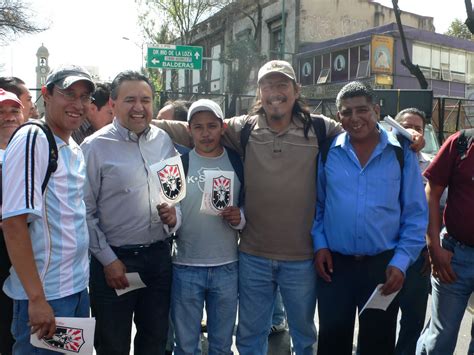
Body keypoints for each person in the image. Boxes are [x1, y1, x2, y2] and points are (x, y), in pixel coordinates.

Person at [152, 60, 425, 355]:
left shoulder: (322, 128)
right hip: (253, 256)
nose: (275, 92)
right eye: (267, 85)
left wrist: (405, 136)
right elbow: (194, 127)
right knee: (249, 338)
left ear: (296, 91)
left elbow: (362, 125)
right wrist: (141, 118)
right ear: (260, 92)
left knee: (305, 338)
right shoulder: (243, 128)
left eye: (282, 84)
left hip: (303, 259)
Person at [312, 81, 427, 355]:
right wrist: (320, 245)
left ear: (376, 110)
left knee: (378, 344)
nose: (354, 118)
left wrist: (400, 263)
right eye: (346, 112)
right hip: (334, 268)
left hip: (382, 268)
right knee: (332, 341)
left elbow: (415, 215)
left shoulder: (400, 153)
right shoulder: (328, 152)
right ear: (338, 116)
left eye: (362, 110)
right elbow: (318, 205)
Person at [82, 70, 180, 355]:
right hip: (116, 265)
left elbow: (175, 194)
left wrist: (176, 217)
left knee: (155, 341)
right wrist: (108, 261)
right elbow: (84, 212)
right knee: (113, 344)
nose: (139, 107)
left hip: (159, 261)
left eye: (146, 100)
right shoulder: (95, 147)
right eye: (130, 100)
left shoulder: (163, 141)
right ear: (112, 104)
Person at [2, 65, 95, 353]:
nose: (78, 104)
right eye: (69, 94)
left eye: (84, 97)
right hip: (47, 298)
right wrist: (36, 299)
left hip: (75, 290)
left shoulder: (72, 147)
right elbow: (14, 223)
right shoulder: (34, 138)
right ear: (46, 95)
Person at [171, 99, 244, 355]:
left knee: (222, 345)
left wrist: (240, 217)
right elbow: (174, 212)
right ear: (189, 129)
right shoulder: (178, 164)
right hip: (185, 266)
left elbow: (248, 206)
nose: (205, 133)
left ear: (223, 127)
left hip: (227, 266)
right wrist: (171, 219)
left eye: (212, 126)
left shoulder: (237, 162)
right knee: (186, 346)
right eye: (199, 127)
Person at [416, 128, 474, 354]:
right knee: (440, 340)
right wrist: (433, 246)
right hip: (454, 257)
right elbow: (432, 192)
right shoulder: (461, 143)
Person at [394, 108, 432, 355]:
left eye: (418, 127)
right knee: (379, 318)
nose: (412, 131)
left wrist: (434, 245)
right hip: (385, 252)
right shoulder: (382, 158)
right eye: (406, 125)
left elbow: (442, 208)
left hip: (419, 257)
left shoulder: (433, 166)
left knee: (413, 319)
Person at [0, 89, 26, 355]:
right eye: (1, 111)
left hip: (33, 266)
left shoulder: (36, 154)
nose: (9, 117)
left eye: (14, 110)